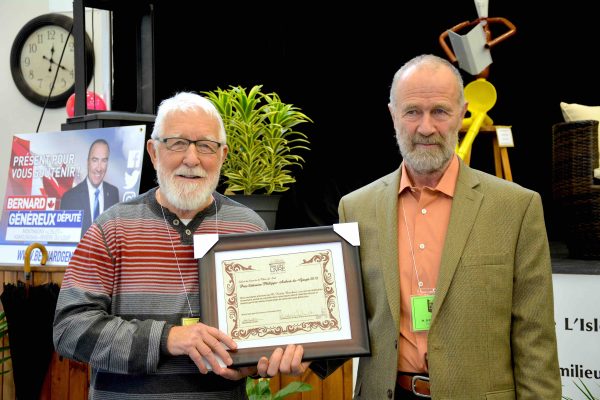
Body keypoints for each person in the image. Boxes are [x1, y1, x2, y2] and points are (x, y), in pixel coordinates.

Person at [53, 92, 309, 399]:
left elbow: (261, 332)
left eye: (206, 146)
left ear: (223, 155)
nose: (192, 158)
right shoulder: (112, 228)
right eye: (177, 143)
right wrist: (167, 338)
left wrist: (253, 363)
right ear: (153, 152)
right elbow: (69, 330)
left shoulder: (248, 228)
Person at [337, 54, 561, 399]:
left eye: (439, 111)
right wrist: (283, 350)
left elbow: (536, 338)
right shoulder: (355, 209)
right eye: (412, 112)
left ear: (462, 113)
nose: (426, 127)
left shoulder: (516, 208)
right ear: (393, 115)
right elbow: (342, 319)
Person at [59, 138, 120, 237]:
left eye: (104, 160)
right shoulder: (69, 198)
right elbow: (63, 238)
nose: (99, 168)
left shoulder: (113, 193)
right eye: (95, 160)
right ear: (88, 162)